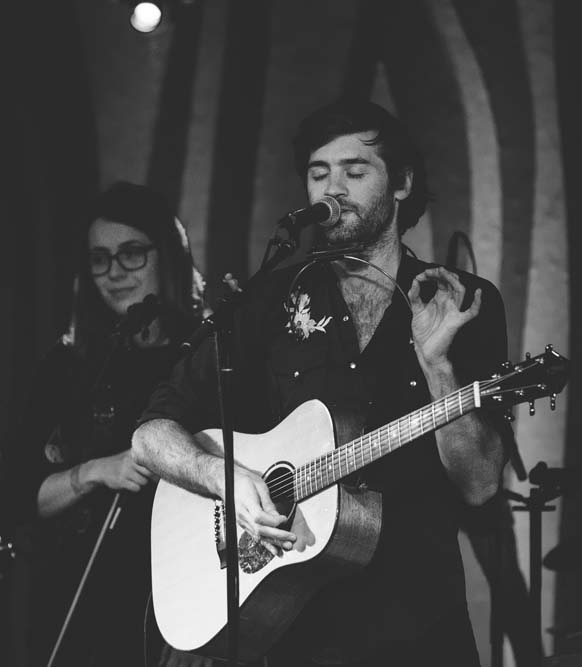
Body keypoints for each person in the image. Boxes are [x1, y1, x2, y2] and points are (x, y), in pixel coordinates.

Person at [132, 99, 512, 666]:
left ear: (402, 183)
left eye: (355, 172)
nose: (332, 189)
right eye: (318, 174)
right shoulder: (265, 302)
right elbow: (151, 434)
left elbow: (480, 484)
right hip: (292, 627)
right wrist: (224, 477)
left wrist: (438, 367)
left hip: (421, 624)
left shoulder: (458, 300)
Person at [6, 182, 208, 666]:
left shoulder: (206, 351)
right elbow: (19, 495)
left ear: (169, 255)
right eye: (99, 259)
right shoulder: (68, 364)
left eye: (132, 253)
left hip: (179, 598)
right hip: (76, 597)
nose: (114, 272)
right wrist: (95, 470)